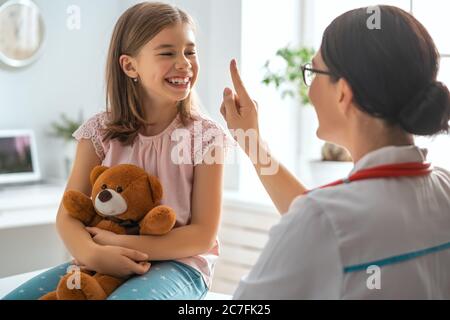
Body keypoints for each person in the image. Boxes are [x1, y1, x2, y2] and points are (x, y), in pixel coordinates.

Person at [4, 2, 229, 300]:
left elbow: (202, 234)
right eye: (167, 53)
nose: (184, 62)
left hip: (178, 265)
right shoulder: (99, 131)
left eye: (190, 51)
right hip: (99, 261)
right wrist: (93, 254)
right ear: (129, 65)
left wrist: (117, 244)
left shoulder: (205, 136)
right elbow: (68, 215)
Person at [221, 5, 450, 299]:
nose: (309, 88)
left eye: (313, 71)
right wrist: (251, 143)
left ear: (343, 92)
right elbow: (334, 226)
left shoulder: (324, 219)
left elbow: (325, 226)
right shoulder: (443, 189)